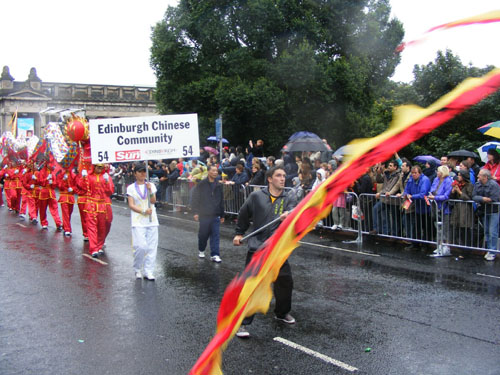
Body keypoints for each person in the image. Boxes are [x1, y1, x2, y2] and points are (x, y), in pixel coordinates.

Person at [233, 166, 296, 338]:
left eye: (284, 175)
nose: (282, 179)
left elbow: (293, 214)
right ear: (269, 179)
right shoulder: (256, 196)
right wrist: (239, 233)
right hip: (258, 248)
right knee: (252, 286)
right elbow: (244, 214)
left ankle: (282, 313)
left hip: (277, 249)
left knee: (285, 282)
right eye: (278, 175)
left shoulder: (288, 197)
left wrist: (288, 216)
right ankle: (242, 324)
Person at [127, 162, 159, 280]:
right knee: (140, 246)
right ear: (135, 174)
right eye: (140, 172)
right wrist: (143, 211)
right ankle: (137, 268)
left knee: (151, 247)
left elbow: (153, 200)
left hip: (152, 220)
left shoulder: (150, 185)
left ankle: (148, 271)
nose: (142, 174)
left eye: (144, 171)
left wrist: (150, 190)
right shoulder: (130, 188)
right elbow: (131, 205)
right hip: (138, 220)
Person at [77, 164, 114, 258]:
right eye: (97, 167)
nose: (99, 169)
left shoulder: (106, 177)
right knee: (91, 227)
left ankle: (99, 245)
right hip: (91, 204)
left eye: (101, 167)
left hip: (102, 205)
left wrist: (107, 182)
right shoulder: (89, 176)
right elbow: (82, 187)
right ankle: (93, 248)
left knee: (102, 227)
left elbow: (110, 192)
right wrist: (83, 177)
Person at [191, 165, 225, 263]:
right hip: (204, 214)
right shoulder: (201, 184)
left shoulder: (218, 185)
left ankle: (215, 254)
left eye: (216, 171)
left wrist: (222, 214)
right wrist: (196, 212)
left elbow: (221, 200)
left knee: (215, 235)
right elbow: (196, 198)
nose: (215, 172)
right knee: (203, 234)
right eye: (213, 171)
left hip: (215, 214)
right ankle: (201, 249)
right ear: (208, 172)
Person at [472, 169, 500, 261]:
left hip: (493, 211)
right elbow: (474, 196)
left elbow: (494, 198)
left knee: (493, 231)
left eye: (479, 175)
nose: (478, 176)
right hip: (483, 210)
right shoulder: (477, 184)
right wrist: (483, 198)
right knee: (487, 231)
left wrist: (485, 199)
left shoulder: (494, 185)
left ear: (485, 177)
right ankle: (488, 249)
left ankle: (492, 251)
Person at [402, 165, 431, 249]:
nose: (413, 175)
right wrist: (406, 195)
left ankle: (425, 245)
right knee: (416, 226)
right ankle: (415, 244)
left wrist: (412, 196)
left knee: (425, 226)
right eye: (412, 173)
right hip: (417, 206)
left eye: (415, 173)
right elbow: (407, 189)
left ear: (419, 173)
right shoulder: (411, 179)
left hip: (425, 206)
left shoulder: (425, 180)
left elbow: (423, 194)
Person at [428, 166, 453, 257]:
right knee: (438, 227)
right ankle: (439, 245)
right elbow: (432, 189)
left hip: (444, 207)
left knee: (445, 228)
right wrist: (432, 195)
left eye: (438, 171)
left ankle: (446, 246)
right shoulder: (436, 179)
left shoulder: (448, 181)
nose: (437, 173)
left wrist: (435, 197)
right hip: (435, 206)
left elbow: (446, 195)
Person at [450, 169, 474, 247]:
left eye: (460, 175)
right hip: (457, 209)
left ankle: (467, 248)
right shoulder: (458, 184)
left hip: (465, 210)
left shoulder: (469, 185)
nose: (458, 176)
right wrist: (453, 191)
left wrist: (460, 192)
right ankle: (459, 246)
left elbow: (469, 198)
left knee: (465, 229)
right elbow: (452, 197)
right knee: (457, 229)